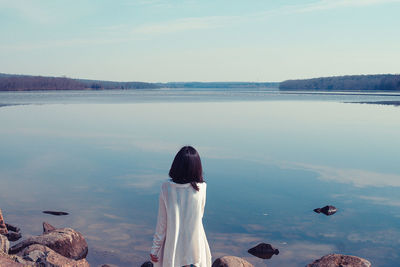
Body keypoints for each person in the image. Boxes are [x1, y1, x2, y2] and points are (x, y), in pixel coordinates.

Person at [150, 146, 212, 267]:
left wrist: (155, 249)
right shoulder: (202, 188)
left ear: (176, 166)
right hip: (196, 249)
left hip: (173, 250)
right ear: (197, 168)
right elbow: (200, 216)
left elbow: (162, 224)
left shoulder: (166, 188)